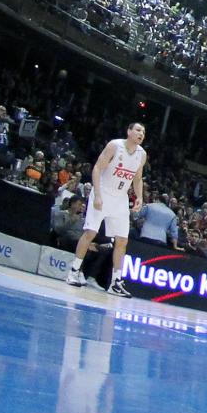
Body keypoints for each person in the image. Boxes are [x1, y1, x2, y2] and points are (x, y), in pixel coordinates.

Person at [65, 122, 148, 297]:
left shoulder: (142, 154)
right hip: (102, 192)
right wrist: (98, 194)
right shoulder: (115, 145)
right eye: (138, 130)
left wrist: (139, 197)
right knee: (90, 233)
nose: (141, 134)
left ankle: (115, 283)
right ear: (129, 131)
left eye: (143, 132)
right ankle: (73, 271)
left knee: (122, 241)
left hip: (120, 198)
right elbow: (97, 168)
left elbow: (137, 178)